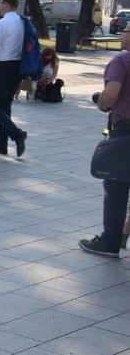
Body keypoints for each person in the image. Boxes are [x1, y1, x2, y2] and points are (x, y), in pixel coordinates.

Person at [79, 22, 130, 258]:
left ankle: (109, 242)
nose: (122, 34)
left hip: (125, 130)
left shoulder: (122, 61)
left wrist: (101, 102)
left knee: (117, 186)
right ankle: (123, 235)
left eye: (125, 30)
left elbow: (110, 96)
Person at [0, 0, 27, 157]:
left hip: (2, 66)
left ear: (7, 5)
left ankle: (17, 134)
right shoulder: (22, 22)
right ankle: (2, 144)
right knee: (5, 106)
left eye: (0, 3)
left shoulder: (1, 24)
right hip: (17, 67)